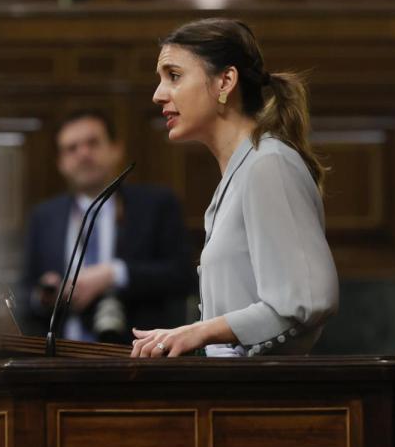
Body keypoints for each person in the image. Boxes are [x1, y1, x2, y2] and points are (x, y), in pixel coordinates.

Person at [133, 18, 338, 358]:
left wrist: (200, 332)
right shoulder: (242, 171)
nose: (158, 94)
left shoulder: (269, 164)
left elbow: (309, 300)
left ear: (225, 81)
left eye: (174, 76)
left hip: (267, 402)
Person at [17, 108, 193, 344]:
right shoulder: (44, 216)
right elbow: (25, 292)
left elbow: (182, 275)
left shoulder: (157, 204)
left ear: (116, 149)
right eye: (72, 148)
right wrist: (44, 295)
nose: (83, 154)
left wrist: (114, 274)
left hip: (137, 356)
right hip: (61, 358)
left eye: (93, 143)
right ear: (60, 163)